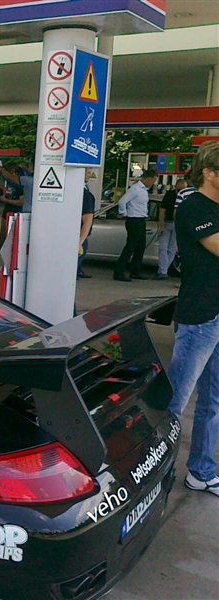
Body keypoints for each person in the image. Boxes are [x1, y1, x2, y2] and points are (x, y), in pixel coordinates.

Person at [167, 141, 219, 497]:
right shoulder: (193, 207)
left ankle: (201, 472)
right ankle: (153, 475)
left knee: (212, 402)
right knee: (174, 403)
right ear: (210, 173)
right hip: (200, 318)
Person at [113, 169, 157, 281]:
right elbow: (122, 201)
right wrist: (124, 213)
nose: (153, 183)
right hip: (134, 220)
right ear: (148, 179)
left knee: (140, 247)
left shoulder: (144, 190)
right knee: (130, 246)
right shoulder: (135, 189)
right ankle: (119, 272)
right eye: (153, 180)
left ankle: (135, 271)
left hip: (141, 220)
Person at [156, 178, 186, 279]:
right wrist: (161, 224)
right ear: (176, 186)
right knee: (163, 248)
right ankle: (163, 271)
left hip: (178, 224)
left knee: (172, 249)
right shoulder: (170, 195)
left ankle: (163, 270)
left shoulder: (186, 196)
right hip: (167, 222)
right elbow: (162, 210)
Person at [77, 170, 96, 279]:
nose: (91, 175)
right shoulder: (86, 195)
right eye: (88, 173)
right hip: (79, 236)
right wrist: (80, 242)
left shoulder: (74, 192)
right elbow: (87, 220)